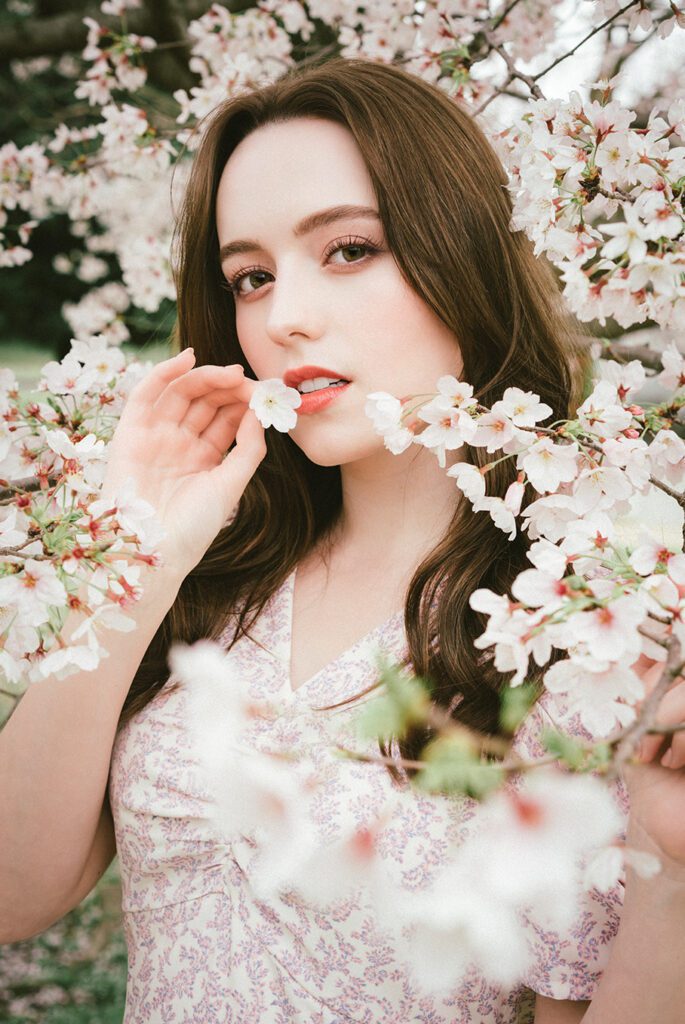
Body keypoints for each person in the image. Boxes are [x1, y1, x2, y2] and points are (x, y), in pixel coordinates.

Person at [1, 58, 684, 1024]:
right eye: (250, 276)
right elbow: (14, 894)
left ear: (463, 252)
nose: (284, 318)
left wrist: (669, 876)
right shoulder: (215, 580)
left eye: (350, 250)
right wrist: (136, 556)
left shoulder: (581, 636)